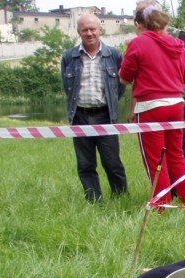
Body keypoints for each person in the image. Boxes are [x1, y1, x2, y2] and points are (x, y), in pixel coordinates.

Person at [120, 6, 185, 206]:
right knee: (177, 155)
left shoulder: (138, 43)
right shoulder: (179, 45)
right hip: (177, 105)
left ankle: (162, 205)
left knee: (156, 160)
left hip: (150, 107)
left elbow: (125, 78)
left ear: (142, 24)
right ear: (166, 23)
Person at [61, 14, 128, 203]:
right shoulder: (69, 57)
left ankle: (121, 198)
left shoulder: (114, 55)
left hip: (106, 116)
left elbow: (120, 86)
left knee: (112, 163)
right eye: (85, 30)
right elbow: (67, 87)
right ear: (78, 32)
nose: (89, 33)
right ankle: (94, 201)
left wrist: (111, 104)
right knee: (85, 164)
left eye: (93, 29)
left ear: (100, 30)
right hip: (80, 116)